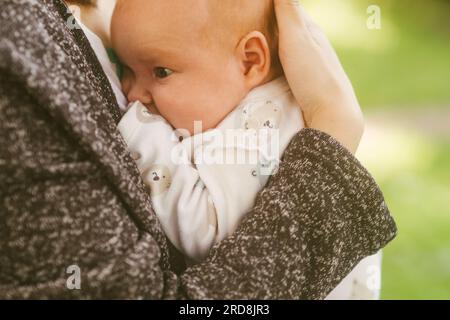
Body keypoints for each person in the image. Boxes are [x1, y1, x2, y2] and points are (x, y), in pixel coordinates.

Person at [0, 0, 396, 299]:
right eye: (126, 69)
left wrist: (140, 134)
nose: (133, 94)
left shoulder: (258, 127)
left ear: (250, 60)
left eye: (160, 72)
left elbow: (206, 229)